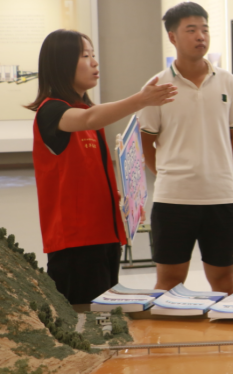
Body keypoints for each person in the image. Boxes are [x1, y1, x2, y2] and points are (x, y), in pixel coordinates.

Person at [27, 29, 177, 304]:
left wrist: (124, 199)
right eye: (85, 56)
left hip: (105, 237)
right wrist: (141, 99)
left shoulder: (86, 112)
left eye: (93, 55)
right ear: (62, 63)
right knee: (83, 321)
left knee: (106, 319)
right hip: (76, 243)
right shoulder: (52, 111)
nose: (95, 62)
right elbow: (89, 119)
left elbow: (89, 174)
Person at [138, 2, 233, 294]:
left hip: (222, 196)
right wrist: (169, 172)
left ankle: (232, 328)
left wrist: (215, 164)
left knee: (224, 280)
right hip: (173, 199)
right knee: (169, 282)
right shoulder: (157, 86)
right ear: (173, 37)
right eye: (191, 30)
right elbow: (145, 142)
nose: (201, 36)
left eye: (205, 29)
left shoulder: (228, 82)